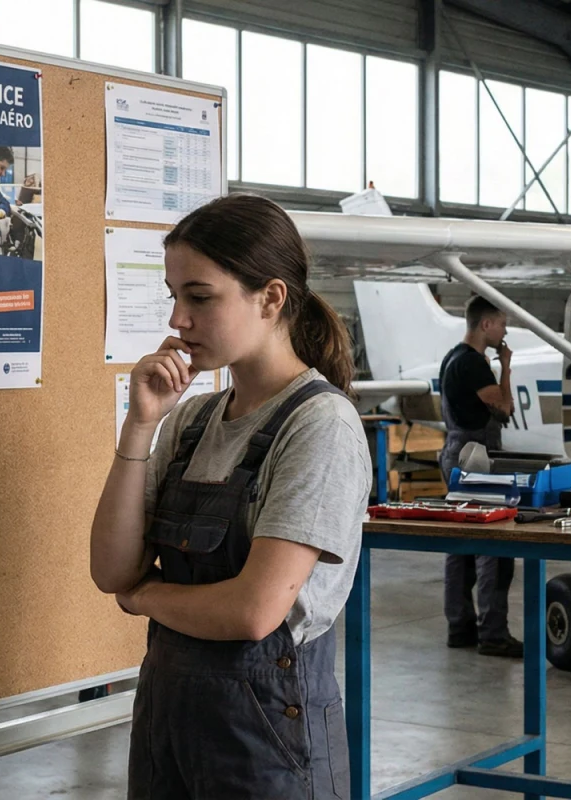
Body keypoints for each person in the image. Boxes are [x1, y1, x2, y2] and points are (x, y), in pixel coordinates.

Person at [90, 194, 370, 798]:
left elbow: (253, 612)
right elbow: (112, 570)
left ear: (271, 298)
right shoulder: (190, 422)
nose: (177, 321)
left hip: (266, 742)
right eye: (173, 296)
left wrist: (145, 598)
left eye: (199, 296)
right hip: (169, 729)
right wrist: (140, 426)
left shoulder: (320, 426)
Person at [438, 297, 523, 659]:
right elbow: (504, 408)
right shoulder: (474, 365)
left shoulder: (452, 358)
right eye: (502, 324)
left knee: (460, 542)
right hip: (476, 454)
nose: (505, 332)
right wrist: (505, 367)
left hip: (455, 449)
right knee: (493, 541)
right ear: (486, 325)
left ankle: (460, 626)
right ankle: (493, 632)